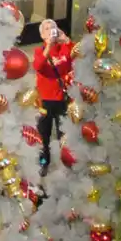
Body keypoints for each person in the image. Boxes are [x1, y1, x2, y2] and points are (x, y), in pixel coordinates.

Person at [33, 19, 73, 172]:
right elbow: (38, 66)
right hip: (45, 100)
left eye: (53, 28)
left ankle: (66, 163)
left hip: (63, 98)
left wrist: (67, 41)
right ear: (43, 35)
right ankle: (44, 161)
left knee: (64, 135)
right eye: (47, 29)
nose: (51, 31)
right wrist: (49, 46)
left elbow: (78, 56)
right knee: (44, 136)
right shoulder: (39, 51)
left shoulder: (64, 48)